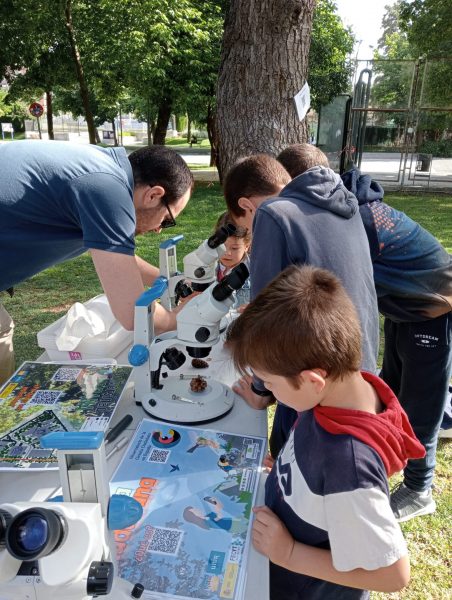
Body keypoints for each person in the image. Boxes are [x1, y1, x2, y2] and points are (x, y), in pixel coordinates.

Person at [226, 264, 425, 599]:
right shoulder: (337, 393)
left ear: (312, 380)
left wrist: (288, 552)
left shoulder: (348, 464)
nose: (267, 389)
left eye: (270, 383)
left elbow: (392, 573)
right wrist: (287, 473)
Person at [224, 150, 379, 458]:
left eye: (246, 227)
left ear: (246, 206)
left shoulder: (272, 213)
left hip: (311, 383)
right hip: (357, 372)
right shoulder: (345, 203)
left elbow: (263, 323)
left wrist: (259, 391)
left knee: (293, 465)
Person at [0, 141, 194, 384]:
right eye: (167, 220)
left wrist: (173, 281)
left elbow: (114, 257)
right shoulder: (107, 190)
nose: (158, 230)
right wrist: (177, 319)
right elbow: (132, 313)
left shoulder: (103, 171)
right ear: (153, 195)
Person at [338, 165, 452, 522]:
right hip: (406, 312)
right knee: (394, 391)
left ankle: (420, 490)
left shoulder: (359, 222)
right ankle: (390, 460)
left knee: (422, 407)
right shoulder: (348, 211)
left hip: (436, 311)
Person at [214, 211, 251, 308]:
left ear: (247, 246)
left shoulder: (256, 274)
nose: (227, 253)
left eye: (234, 248)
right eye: (222, 245)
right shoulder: (207, 266)